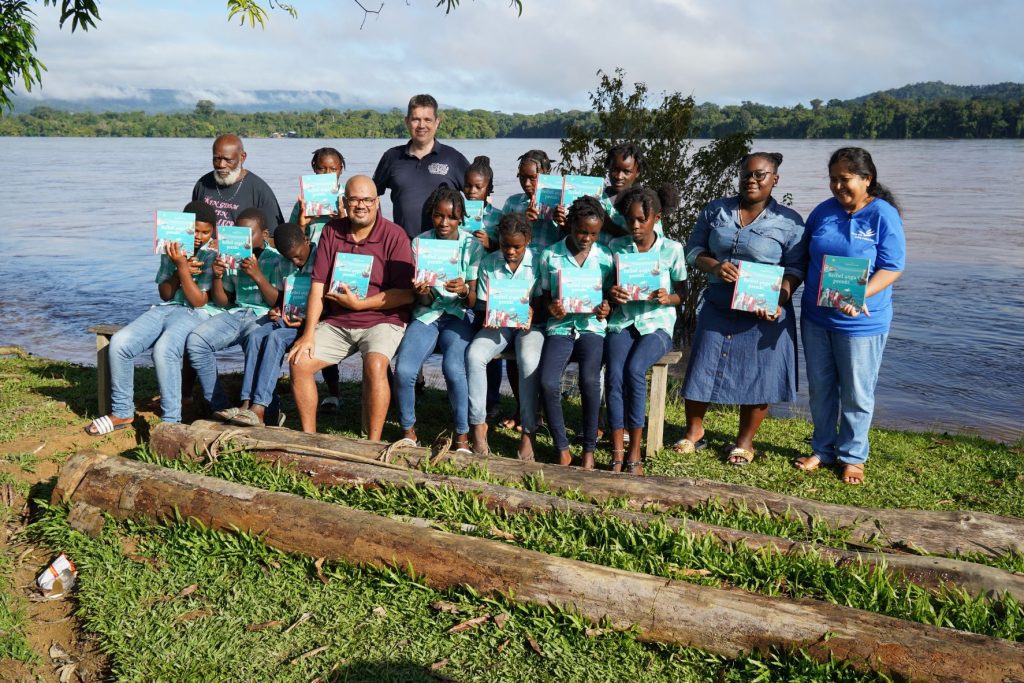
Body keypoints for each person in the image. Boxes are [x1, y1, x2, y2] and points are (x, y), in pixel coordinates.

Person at [674, 152, 807, 465]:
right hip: (719, 302)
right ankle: (694, 432)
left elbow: (797, 268)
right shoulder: (716, 210)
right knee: (703, 363)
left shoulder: (789, 222)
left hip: (763, 309)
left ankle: (745, 442)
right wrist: (716, 267)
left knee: (761, 372)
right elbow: (693, 250)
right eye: (746, 174)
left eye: (761, 175)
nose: (752, 180)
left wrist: (780, 299)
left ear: (775, 179)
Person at [794, 147, 905, 485]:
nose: (837, 186)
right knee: (821, 387)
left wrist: (861, 294)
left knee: (857, 392)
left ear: (866, 179)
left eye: (844, 180)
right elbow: (802, 255)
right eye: (832, 180)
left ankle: (853, 456)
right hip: (816, 318)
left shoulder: (882, 215)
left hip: (862, 322)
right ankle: (823, 449)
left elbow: (893, 267)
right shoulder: (823, 212)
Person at [287, 175, 415, 439]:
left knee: (376, 365)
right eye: (355, 199)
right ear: (344, 202)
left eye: (367, 199)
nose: (361, 205)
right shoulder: (331, 232)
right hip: (338, 321)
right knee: (299, 362)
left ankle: (372, 442)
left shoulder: (395, 235)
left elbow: (405, 295)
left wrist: (361, 304)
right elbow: (317, 287)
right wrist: (309, 333)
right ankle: (309, 438)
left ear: (377, 203)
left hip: (382, 319)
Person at [84, 201, 219, 435]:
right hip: (166, 308)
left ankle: (171, 421)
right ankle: (122, 411)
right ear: (183, 229)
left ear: (213, 231)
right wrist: (179, 268)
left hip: (196, 312)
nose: (199, 236)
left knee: (164, 349)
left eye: (205, 232)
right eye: (194, 231)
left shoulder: (214, 254)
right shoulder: (172, 249)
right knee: (120, 343)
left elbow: (199, 301)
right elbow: (165, 294)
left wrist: (184, 270)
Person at [393, 186, 483, 451]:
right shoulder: (420, 243)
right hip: (428, 313)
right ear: (431, 215)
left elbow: (474, 300)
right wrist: (423, 292)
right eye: (438, 216)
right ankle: (408, 431)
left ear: (461, 218)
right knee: (405, 370)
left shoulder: (471, 246)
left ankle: (462, 435)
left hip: (458, 314)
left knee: (454, 369)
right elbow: (423, 301)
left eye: (452, 217)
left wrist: (465, 290)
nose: (444, 223)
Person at [605, 185, 687, 475]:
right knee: (614, 373)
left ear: (657, 218)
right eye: (630, 220)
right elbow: (609, 289)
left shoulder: (672, 250)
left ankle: (634, 450)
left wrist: (669, 297)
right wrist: (614, 294)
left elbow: (683, 292)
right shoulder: (617, 248)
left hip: (657, 324)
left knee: (635, 369)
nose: (636, 226)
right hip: (624, 320)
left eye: (642, 219)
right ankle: (617, 451)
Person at [537, 196, 613, 469]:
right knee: (547, 381)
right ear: (569, 225)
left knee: (591, 381)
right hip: (560, 327)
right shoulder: (550, 256)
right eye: (582, 231)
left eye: (593, 233)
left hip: (592, 328)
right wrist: (552, 307)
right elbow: (545, 295)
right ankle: (562, 446)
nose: (587, 238)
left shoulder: (605, 258)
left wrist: (607, 308)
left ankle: (589, 449)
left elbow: (609, 296)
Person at [186, 208, 285, 416]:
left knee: (257, 343)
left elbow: (279, 301)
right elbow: (223, 301)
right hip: (237, 313)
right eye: (239, 234)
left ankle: (267, 410)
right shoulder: (232, 257)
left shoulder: (276, 259)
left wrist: (257, 276)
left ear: (264, 235)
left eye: (250, 234)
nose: (244, 240)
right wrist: (217, 277)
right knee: (196, 342)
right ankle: (219, 405)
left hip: (264, 315)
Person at [220, 222, 316, 427]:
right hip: (288, 318)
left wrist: (307, 320)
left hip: (312, 323)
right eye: (290, 258)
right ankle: (246, 401)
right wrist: (279, 309)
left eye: (298, 256)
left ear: (306, 240)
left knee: (275, 338)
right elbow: (284, 296)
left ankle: (260, 407)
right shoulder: (284, 263)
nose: (296, 261)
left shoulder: (321, 260)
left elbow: (327, 303)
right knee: (255, 335)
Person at [466, 213, 545, 461]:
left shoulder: (540, 262)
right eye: (505, 245)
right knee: (474, 355)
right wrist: (489, 313)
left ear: (528, 240)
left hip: (530, 326)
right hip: (499, 325)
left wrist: (534, 310)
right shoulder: (490, 263)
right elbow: (481, 303)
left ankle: (529, 431)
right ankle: (478, 425)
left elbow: (545, 299)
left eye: (516, 246)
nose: (510, 251)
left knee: (528, 360)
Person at [291, 146, 346, 412]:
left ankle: (339, 390)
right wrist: (302, 223)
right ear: (314, 170)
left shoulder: (350, 199)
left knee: (342, 326)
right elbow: (291, 241)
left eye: (332, 169)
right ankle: (330, 390)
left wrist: (344, 218)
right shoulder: (303, 201)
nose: (326, 174)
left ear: (341, 171)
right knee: (318, 329)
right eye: (321, 169)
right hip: (313, 275)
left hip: (342, 274)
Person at [373, 94, 469, 239]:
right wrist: (378, 227)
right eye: (416, 119)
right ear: (407, 121)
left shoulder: (453, 158)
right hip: (402, 245)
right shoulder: (392, 157)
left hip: (442, 248)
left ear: (437, 122)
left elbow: (478, 196)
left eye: (427, 120)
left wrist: (471, 234)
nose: (421, 125)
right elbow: (373, 195)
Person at [192, 133, 284, 234]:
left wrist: (226, 242)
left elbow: (274, 237)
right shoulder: (203, 184)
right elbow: (192, 226)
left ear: (242, 157)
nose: (221, 165)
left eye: (228, 160)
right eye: (216, 159)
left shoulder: (260, 191)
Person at [501, 150, 562, 254]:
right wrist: (522, 221)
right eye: (522, 177)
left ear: (547, 174)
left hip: (549, 262)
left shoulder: (562, 202)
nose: (526, 184)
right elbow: (501, 236)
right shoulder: (512, 203)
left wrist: (564, 224)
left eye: (533, 178)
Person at [462, 155, 503, 252]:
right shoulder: (456, 214)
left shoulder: (499, 217)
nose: (472, 191)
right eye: (467, 186)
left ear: (489, 188)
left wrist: (490, 243)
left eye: (478, 187)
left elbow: (506, 248)